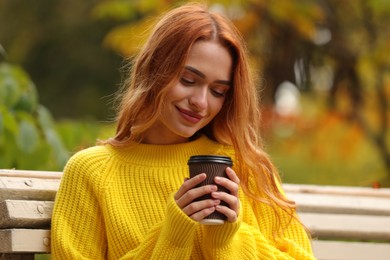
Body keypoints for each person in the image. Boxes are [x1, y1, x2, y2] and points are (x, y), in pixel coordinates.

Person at [51, 3, 315, 259]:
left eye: (217, 91)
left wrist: (228, 240)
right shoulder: (92, 172)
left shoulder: (245, 165)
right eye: (188, 80)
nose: (201, 102)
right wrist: (172, 236)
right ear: (154, 70)